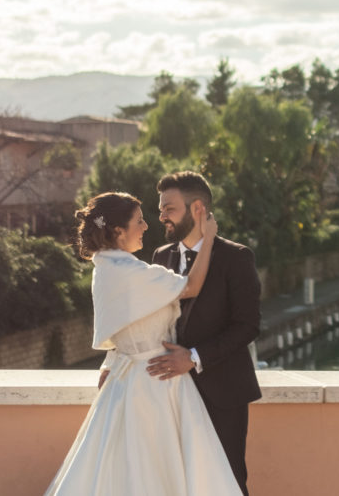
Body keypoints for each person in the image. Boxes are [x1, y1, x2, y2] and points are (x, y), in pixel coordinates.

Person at [45, 192, 243, 495]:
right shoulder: (129, 271)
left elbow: (123, 325)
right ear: (118, 231)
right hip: (155, 383)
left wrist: (111, 361)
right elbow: (190, 286)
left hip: (129, 383)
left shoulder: (107, 269)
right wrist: (210, 239)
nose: (146, 226)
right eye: (139, 221)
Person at [146, 171, 262, 495]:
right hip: (169, 393)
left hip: (222, 391)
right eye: (161, 209)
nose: (161, 216)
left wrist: (194, 358)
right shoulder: (160, 257)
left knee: (227, 481)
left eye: (169, 208)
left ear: (197, 208)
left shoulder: (237, 257)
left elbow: (248, 325)